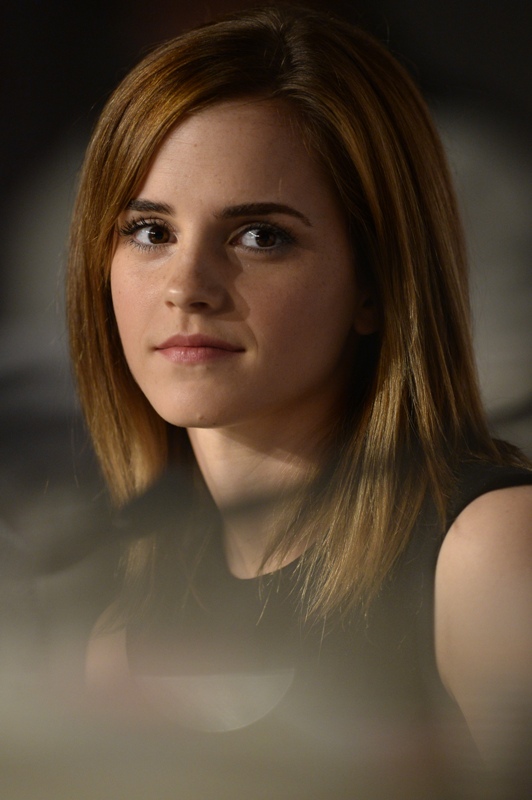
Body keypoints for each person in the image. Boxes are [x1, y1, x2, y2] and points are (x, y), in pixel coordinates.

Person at [67, 5, 532, 796]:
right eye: (150, 231)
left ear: (376, 284)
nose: (187, 287)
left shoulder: (489, 551)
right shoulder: (120, 633)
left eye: (260, 236)